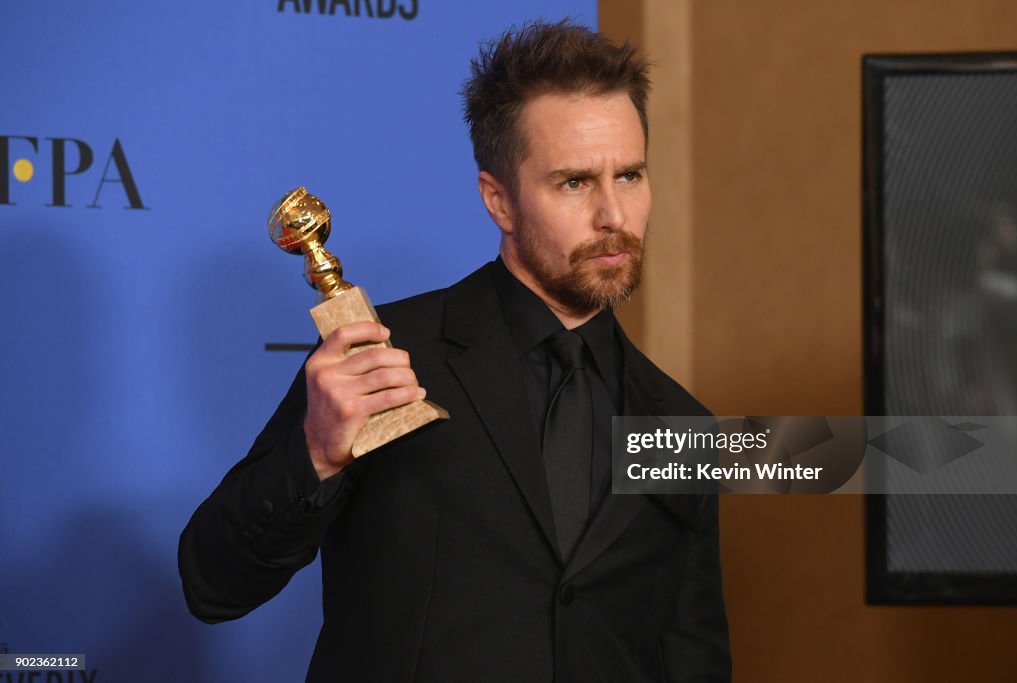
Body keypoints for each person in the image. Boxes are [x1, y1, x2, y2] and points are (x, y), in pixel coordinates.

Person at [179, 19, 731, 682]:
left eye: (632, 175)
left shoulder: (683, 424)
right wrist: (316, 454)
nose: (615, 214)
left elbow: (692, 655)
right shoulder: (383, 358)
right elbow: (212, 584)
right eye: (575, 183)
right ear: (498, 199)